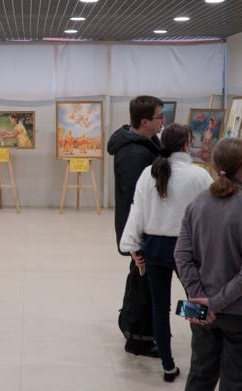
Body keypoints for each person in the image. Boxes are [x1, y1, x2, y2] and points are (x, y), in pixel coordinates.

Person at [175, 138, 242, 391]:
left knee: (200, 376)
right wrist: (216, 303)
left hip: (202, 307)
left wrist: (199, 297)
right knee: (236, 382)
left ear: (214, 165)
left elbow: (182, 255)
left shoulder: (196, 206)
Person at [120, 123, 213, 382]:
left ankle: (168, 365)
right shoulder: (199, 176)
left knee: (160, 308)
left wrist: (133, 246)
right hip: (187, 249)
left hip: (154, 248)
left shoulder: (149, 172)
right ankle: (201, 362)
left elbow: (137, 211)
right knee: (195, 303)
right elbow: (211, 216)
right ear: (186, 144)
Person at [107, 95, 164, 358]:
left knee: (142, 280)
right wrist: (135, 242)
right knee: (143, 283)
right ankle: (138, 339)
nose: (163, 121)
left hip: (148, 227)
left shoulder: (147, 142)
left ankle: (134, 328)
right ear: (144, 121)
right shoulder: (133, 153)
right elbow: (134, 200)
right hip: (141, 229)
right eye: (159, 117)